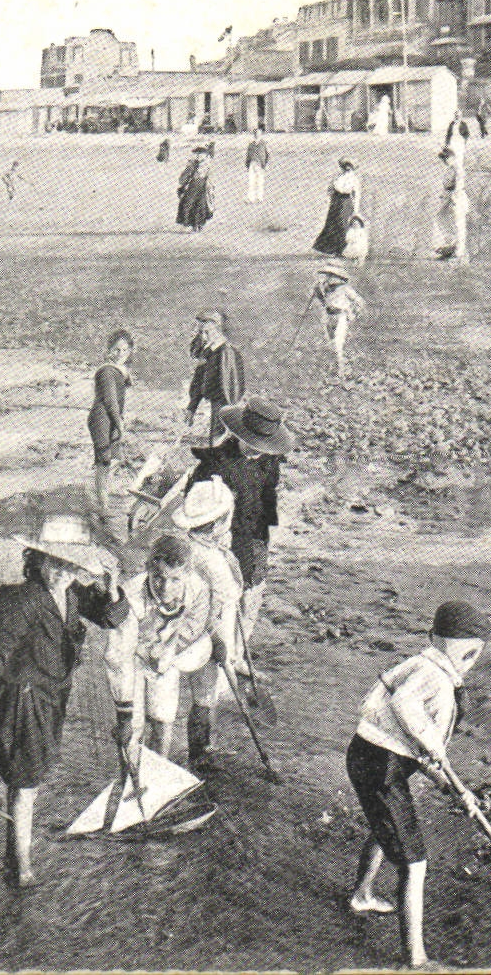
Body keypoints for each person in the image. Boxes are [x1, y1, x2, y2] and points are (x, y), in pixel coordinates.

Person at [0, 515, 126, 887]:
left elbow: (110, 618)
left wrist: (112, 585)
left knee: (27, 777)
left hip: (50, 697)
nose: (59, 572)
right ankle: (21, 866)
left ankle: (14, 857)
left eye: (68, 565)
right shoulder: (27, 600)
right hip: (23, 699)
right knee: (25, 781)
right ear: (37, 560)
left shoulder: (70, 594)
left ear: (77, 569)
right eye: (52, 562)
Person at [346, 601, 491, 969]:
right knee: (415, 864)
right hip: (381, 766)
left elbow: (422, 757)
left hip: (366, 753)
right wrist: (434, 749)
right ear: (471, 653)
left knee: (384, 825)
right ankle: (417, 960)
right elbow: (406, 709)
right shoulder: (436, 680)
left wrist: (455, 790)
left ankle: (362, 894)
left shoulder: (418, 663)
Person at [188, 397, 293, 652]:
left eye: (263, 446)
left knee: (253, 590)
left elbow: (269, 494)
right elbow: (195, 504)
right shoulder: (215, 464)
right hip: (221, 535)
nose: (258, 451)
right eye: (253, 445)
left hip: (255, 533)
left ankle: (240, 651)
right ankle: (216, 647)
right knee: (222, 593)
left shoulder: (270, 460)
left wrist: (263, 530)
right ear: (239, 435)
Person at [104, 535, 213, 766]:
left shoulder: (199, 590)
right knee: (132, 727)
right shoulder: (130, 596)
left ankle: (157, 775)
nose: (165, 587)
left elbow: (193, 628)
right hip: (132, 658)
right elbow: (118, 657)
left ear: (187, 574)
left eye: (175, 579)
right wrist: (124, 714)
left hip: (167, 656)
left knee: (163, 720)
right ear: (148, 569)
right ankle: (129, 777)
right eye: (158, 578)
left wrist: (166, 650)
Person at [171, 479, 248, 760]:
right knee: (205, 692)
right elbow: (219, 602)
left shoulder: (191, 547)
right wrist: (220, 644)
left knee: (206, 691)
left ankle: (203, 747)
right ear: (217, 523)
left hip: (199, 626)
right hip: (208, 631)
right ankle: (200, 752)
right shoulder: (211, 562)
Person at [88, 329, 136, 522]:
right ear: (109, 350)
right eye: (116, 350)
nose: (120, 354)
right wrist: (120, 423)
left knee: (110, 460)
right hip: (101, 419)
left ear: (130, 351)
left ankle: (105, 500)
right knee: (104, 460)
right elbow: (110, 401)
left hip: (110, 419)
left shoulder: (119, 371)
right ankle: (103, 506)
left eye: (124, 350)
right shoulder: (107, 371)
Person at [185, 310, 245, 445]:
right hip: (217, 402)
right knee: (216, 438)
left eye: (206, 332)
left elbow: (229, 387)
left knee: (218, 438)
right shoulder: (209, 351)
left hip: (223, 403)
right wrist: (192, 407)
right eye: (201, 332)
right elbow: (199, 378)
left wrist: (227, 412)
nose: (203, 337)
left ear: (217, 329)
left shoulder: (226, 352)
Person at [311, 262, 368, 379]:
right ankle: (336, 367)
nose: (327, 278)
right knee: (331, 342)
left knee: (338, 343)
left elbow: (359, 301)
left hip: (341, 316)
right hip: (329, 316)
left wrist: (355, 312)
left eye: (329, 275)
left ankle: (341, 371)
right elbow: (324, 302)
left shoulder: (345, 288)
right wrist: (318, 292)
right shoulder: (325, 289)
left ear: (336, 276)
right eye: (326, 275)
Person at [312, 159, 361, 258]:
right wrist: (332, 196)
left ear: (352, 167)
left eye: (349, 165)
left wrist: (356, 210)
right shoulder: (337, 177)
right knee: (332, 225)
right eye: (345, 165)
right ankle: (332, 250)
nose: (347, 167)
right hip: (335, 201)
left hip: (346, 202)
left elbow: (356, 195)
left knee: (343, 225)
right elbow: (330, 189)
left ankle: (343, 250)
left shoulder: (354, 179)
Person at [431, 147, 469, 263]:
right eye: (443, 159)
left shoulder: (458, 169)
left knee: (458, 225)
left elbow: (458, 186)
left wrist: (454, 199)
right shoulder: (451, 168)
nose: (445, 161)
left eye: (446, 158)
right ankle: (448, 248)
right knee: (441, 218)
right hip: (449, 198)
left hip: (457, 199)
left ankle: (459, 253)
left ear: (452, 157)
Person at [176, 146, 214, 232]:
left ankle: (190, 224)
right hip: (202, 184)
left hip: (195, 184)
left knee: (189, 203)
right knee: (199, 203)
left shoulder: (194, 163)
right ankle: (198, 224)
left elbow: (187, 173)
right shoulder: (207, 162)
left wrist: (182, 182)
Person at [244, 127, 270, 204]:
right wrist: (247, 165)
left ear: (261, 135)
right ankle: (251, 198)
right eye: (256, 134)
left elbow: (267, 155)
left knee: (260, 181)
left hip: (260, 164)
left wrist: (265, 164)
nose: (257, 135)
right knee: (251, 181)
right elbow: (248, 155)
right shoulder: (251, 144)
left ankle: (259, 197)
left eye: (259, 134)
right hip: (252, 164)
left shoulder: (264, 144)